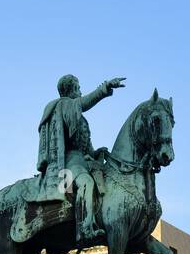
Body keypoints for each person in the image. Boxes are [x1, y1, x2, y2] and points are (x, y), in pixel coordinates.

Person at [35, 74, 126, 241]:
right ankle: (84, 228)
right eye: (77, 87)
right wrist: (105, 87)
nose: (80, 91)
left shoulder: (76, 115)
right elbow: (85, 102)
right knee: (87, 182)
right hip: (69, 162)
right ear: (69, 90)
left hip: (82, 161)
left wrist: (97, 153)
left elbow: (86, 148)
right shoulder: (64, 104)